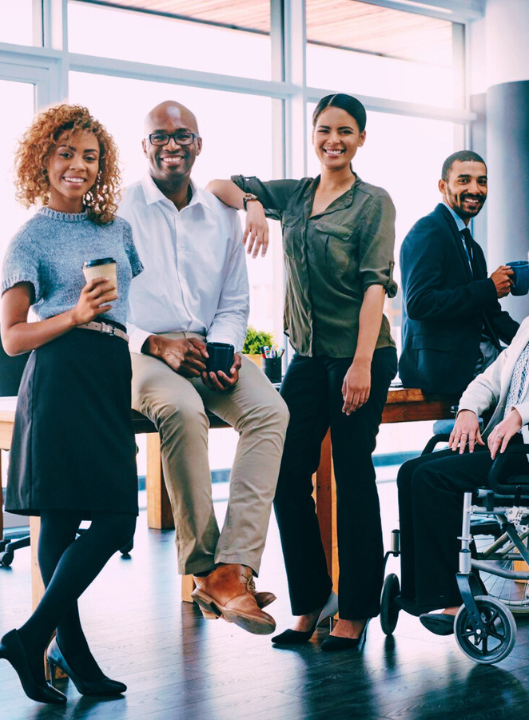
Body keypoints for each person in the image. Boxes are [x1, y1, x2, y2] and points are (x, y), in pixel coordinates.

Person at [207, 93, 398, 651]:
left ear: (361, 138)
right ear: (313, 135)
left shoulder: (373, 203)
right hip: (307, 357)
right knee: (287, 476)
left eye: (344, 131)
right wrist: (251, 205)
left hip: (359, 354)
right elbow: (219, 183)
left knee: (353, 474)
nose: (332, 140)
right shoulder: (297, 194)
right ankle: (312, 600)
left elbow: (374, 286)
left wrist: (361, 363)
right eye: (323, 130)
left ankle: (356, 610)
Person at [119, 101, 289, 635]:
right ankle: (203, 567)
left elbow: (235, 300)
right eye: (161, 136)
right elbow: (103, 306)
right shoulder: (118, 212)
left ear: (199, 144)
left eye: (183, 136)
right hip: (140, 351)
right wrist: (156, 343)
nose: (173, 145)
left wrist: (222, 348)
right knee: (181, 410)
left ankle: (234, 567)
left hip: (206, 347)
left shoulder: (222, 214)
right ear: (145, 145)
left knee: (270, 411)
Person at [396, 229, 529, 633]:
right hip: (508, 446)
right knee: (412, 471)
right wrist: (466, 410)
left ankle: (450, 597)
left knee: (432, 478)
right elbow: (490, 380)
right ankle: (421, 593)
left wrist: (522, 413)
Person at [0, 104, 141, 703]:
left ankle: (40, 644)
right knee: (93, 518)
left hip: (110, 370)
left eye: (89, 155)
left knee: (107, 516)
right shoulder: (30, 236)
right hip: (58, 375)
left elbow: (132, 306)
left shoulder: (118, 230)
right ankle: (56, 648)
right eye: (65, 154)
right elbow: (10, 336)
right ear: (43, 160)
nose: (77, 166)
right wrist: (75, 313)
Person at [399, 151, 519, 397]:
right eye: (464, 180)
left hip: (477, 361)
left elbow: (488, 312)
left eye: (482, 181)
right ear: (443, 186)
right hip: (444, 369)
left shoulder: (471, 245)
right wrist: (488, 288)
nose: (475, 189)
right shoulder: (428, 230)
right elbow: (419, 304)